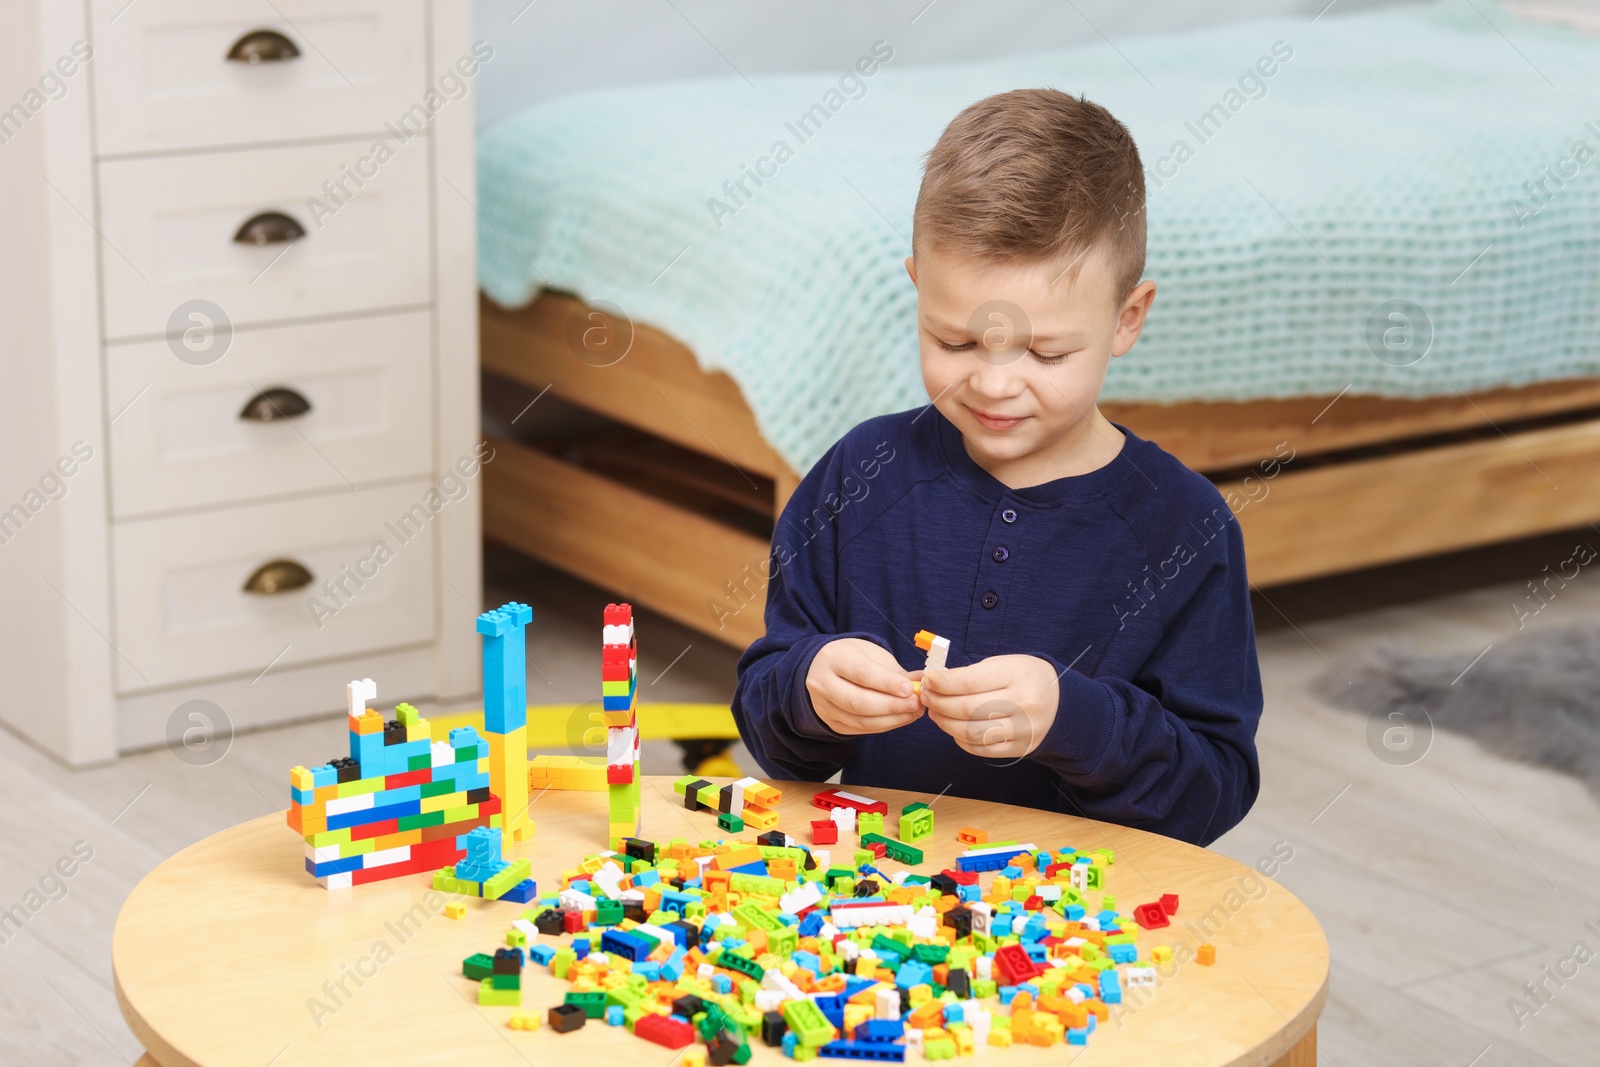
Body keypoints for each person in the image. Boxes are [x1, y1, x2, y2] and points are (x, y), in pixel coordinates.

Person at [732, 88, 1262, 846]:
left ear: (1127, 319)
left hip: (1087, 923)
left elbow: (1213, 789)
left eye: (1046, 352)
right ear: (918, 287)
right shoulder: (860, 474)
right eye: (954, 341)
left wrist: (1071, 717)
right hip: (882, 903)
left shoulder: (1183, 525)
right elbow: (774, 731)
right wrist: (810, 688)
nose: (995, 383)